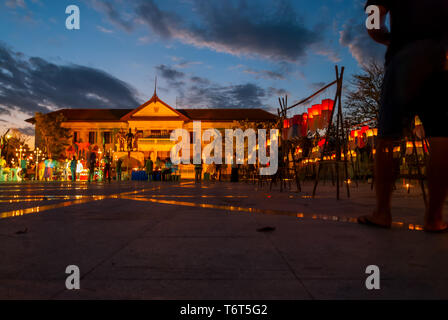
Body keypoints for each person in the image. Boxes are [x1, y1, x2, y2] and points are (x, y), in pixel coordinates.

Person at [359, 0, 448, 232]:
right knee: (440, 135)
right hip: (439, 58)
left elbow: (372, 22)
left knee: (387, 137)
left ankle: (382, 212)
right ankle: (434, 217)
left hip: (404, 56)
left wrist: (389, 38)